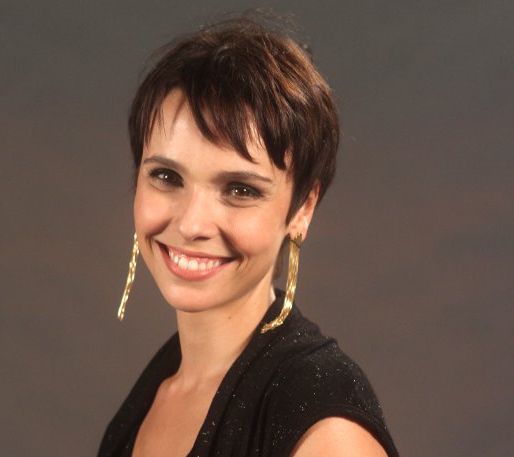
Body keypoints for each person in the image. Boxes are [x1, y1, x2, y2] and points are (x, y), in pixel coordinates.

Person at [98, 13, 399, 457]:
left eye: (240, 190)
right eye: (166, 176)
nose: (192, 224)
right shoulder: (160, 385)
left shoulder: (326, 426)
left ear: (302, 208)